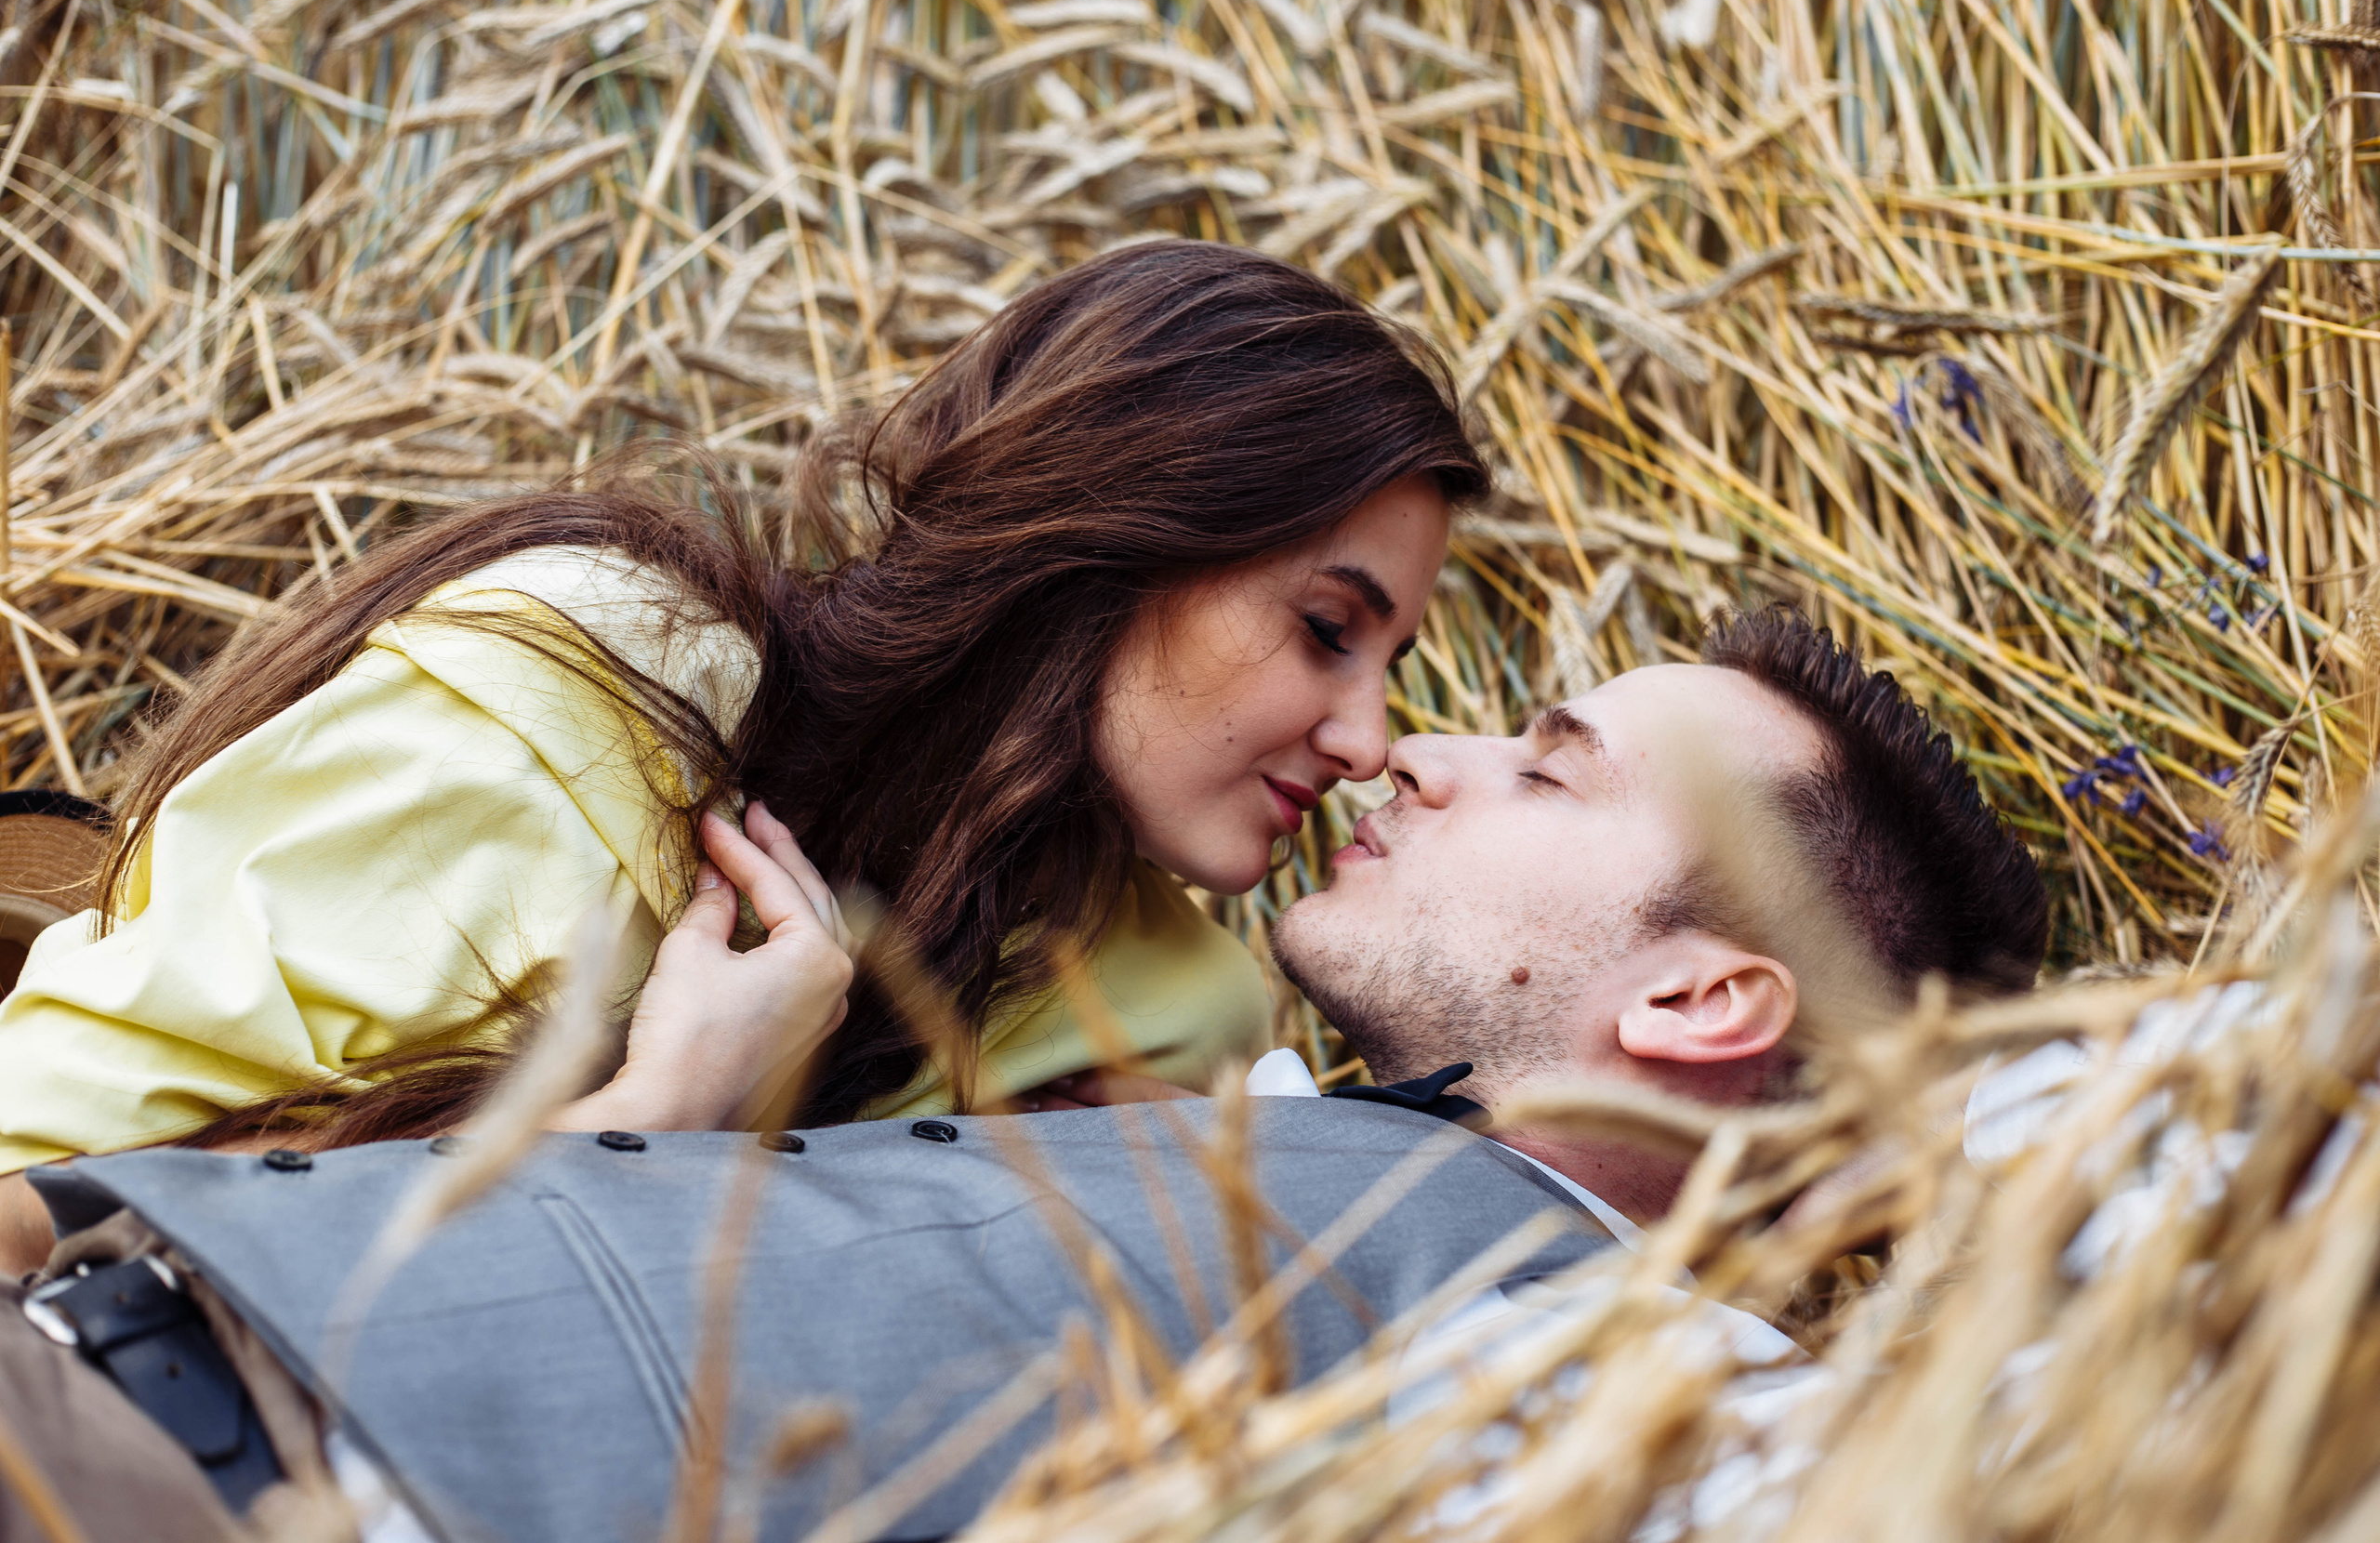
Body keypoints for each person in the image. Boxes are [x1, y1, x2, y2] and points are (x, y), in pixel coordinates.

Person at [0, 609, 2048, 1542]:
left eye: (1545, 765)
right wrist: (655, 1128)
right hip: (107, 1329)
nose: (1413, 747)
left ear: (1703, 1003)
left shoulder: (1643, 1395)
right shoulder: (1235, 1128)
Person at [0, 241, 1488, 1260]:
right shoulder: (586, 699)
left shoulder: (1172, 1011)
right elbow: (32, 1200)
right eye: (1323, 629)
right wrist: (654, 1122)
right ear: (1121, 534)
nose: (1367, 740)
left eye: (1389, 666)